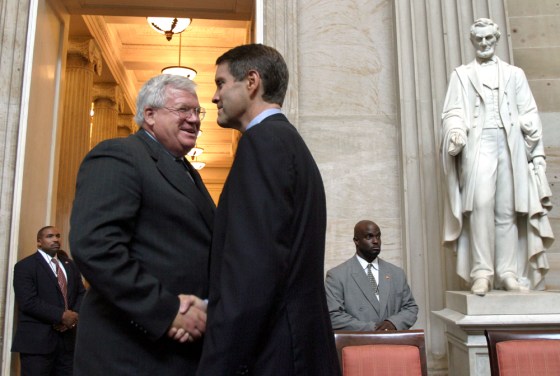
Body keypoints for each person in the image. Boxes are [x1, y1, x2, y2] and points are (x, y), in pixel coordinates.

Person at [196, 44, 340, 376]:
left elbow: (251, 272)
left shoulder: (262, 145)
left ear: (251, 82)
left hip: (273, 356)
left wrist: (216, 364)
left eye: (220, 83)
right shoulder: (287, 142)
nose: (215, 97)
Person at [69, 74, 215, 375]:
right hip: (129, 353)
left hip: (175, 353)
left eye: (197, 111)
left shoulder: (187, 171)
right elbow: (97, 248)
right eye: (183, 110)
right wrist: (167, 310)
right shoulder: (119, 155)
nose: (194, 119)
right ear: (150, 114)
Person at [441, 18, 554, 296]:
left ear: (496, 38)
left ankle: (507, 272)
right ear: (472, 41)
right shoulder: (462, 75)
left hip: (510, 143)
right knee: (480, 204)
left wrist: (534, 146)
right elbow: (452, 112)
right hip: (479, 144)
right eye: (478, 39)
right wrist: (455, 131)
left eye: (488, 38)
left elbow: (529, 111)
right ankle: (482, 271)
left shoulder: (514, 74)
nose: (483, 43)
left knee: (507, 209)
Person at [11, 226, 86, 376]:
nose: (56, 239)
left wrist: (73, 317)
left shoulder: (70, 265)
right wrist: (61, 316)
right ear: (39, 241)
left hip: (68, 342)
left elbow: (81, 294)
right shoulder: (25, 266)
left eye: (58, 236)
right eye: (50, 236)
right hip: (37, 343)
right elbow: (28, 301)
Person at [325, 220, 418, 331]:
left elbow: (410, 307)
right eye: (369, 237)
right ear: (356, 241)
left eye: (378, 237)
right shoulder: (337, 276)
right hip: (357, 345)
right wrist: (372, 329)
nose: (375, 241)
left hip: (394, 343)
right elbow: (333, 316)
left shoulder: (396, 273)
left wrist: (393, 323)